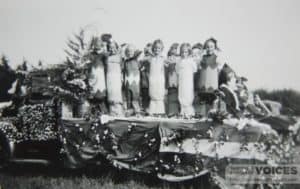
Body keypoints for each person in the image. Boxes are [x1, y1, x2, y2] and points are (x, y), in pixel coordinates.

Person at [198, 38, 225, 103]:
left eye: (211, 47)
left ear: (214, 47)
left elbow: (219, 67)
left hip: (212, 82)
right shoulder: (203, 57)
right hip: (203, 83)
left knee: (212, 100)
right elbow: (199, 66)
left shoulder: (216, 57)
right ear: (205, 48)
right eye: (207, 47)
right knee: (204, 100)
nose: (209, 48)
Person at [86, 38, 108, 115]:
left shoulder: (104, 54)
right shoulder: (90, 54)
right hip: (92, 74)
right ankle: (93, 112)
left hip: (101, 75)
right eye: (95, 44)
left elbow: (107, 64)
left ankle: (103, 112)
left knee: (101, 93)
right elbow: (87, 65)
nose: (97, 46)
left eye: (99, 44)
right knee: (93, 93)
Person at [176, 43, 198, 117]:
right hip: (182, 80)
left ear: (189, 52)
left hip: (188, 81)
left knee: (188, 94)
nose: (183, 54)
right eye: (182, 52)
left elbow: (195, 70)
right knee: (182, 94)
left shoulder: (191, 61)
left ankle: (190, 113)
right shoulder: (179, 61)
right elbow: (177, 71)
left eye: (185, 52)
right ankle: (183, 112)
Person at [147, 39, 167, 115]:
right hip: (152, 79)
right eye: (155, 48)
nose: (156, 49)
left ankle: (160, 111)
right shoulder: (151, 59)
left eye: (158, 48)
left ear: (161, 49)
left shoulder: (163, 59)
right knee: (152, 93)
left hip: (160, 79)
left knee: (159, 94)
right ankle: (152, 111)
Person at [106, 40, 124, 116]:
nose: (112, 49)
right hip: (109, 76)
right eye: (110, 48)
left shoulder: (119, 57)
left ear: (117, 48)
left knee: (117, 93)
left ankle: (118, 112)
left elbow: (122, 68)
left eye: (113, 47)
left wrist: (122, 77)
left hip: (117, 77)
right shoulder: (107, 58)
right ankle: (112, 111)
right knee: (111, 92)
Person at [123, 44, 142, 115]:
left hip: (136, 81)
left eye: (131, 51)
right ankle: (129, 110)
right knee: (128, 96)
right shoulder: (125, 62)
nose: (129, 53)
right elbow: (123, 71)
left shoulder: (137, 61)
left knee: (135, 96)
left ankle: (137, 111)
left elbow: (141, 69)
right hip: (128, 81)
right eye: (128, 51)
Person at [166, 43, 180, 116]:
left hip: (177, 81)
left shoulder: (179, 59)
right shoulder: (168, 59)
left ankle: (176, 112)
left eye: (175, 49)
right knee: (171, 97)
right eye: (172, 49)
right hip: (170, 81)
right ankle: (171, 112)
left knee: (177, 97)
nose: (174, 51)